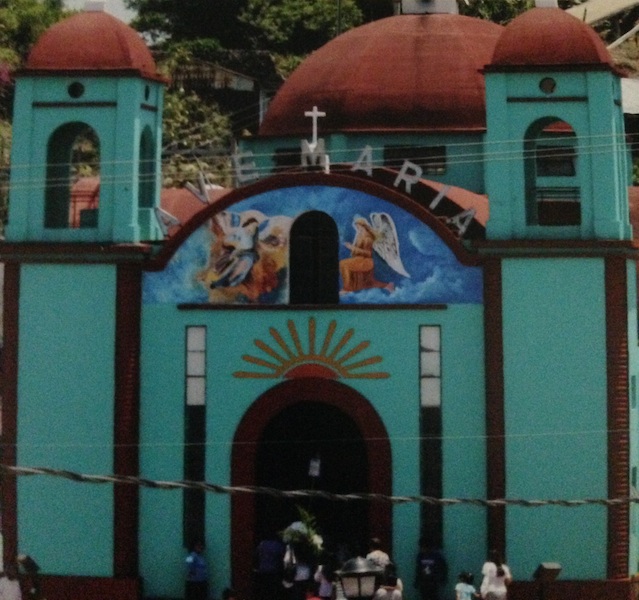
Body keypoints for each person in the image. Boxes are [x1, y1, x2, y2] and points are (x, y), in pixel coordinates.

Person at [255, 531, 285, 600]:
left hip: (263, 571)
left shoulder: (262, 544)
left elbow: (256, 555)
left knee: (264, 590)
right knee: (273, 591)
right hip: (274, 571)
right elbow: (283, 558)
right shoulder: (278, 545)